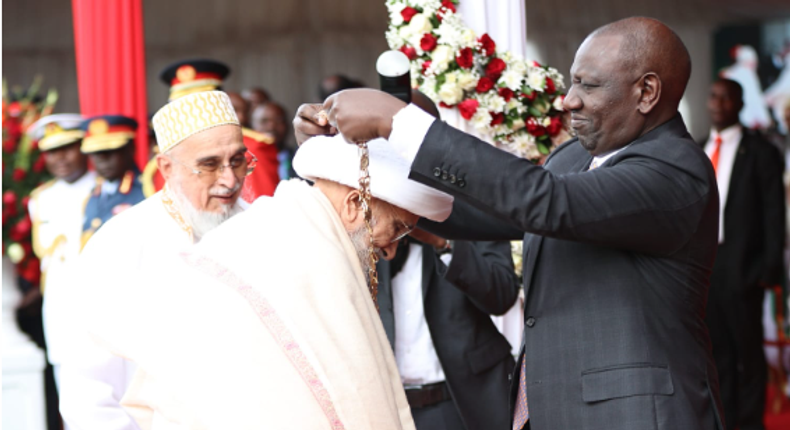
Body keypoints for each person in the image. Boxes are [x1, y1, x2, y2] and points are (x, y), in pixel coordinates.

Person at [296, 16, 725, 430]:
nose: (568, 100)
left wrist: (401, 124)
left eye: (588, 86)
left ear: (646, 92)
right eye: (572, 81)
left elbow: (546, 202)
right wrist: (343, 155)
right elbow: (482, 208)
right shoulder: (572, 158)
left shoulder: (676, 171)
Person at [80, 130, 454, 429]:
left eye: (237, 161)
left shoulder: (279, 226)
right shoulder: (307, 252)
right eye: (399, 230)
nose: (390, 250)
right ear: (355, 204)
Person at [57, 91, 249, 430]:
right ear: (166, 167)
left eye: (237, 160)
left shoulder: (259, 227)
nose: (230, 180)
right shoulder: (119, 245)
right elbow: (87, 390)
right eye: (208, 165)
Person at [376, 92, 518, 430]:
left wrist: (443, 241)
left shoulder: (472, 204)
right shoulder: (361, 211)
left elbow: (501, 296)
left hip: (465, 403)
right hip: (387, 410)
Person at [703, 78, 785, 430]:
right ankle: (725, 420)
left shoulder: (761, 151)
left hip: (744, 268)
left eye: (727, 98)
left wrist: (768, 270)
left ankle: (750, 424)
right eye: (714, 96)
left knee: (748, 353)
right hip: (703, 267)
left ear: (738, 104)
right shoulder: (695, 147)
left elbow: (773, 215)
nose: (719, 103)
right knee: (716, 352)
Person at [141, 59, 280, 201]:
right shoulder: (164, 159)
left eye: (199, 104)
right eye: (182, 106)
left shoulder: (252, 148)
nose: (191, 112)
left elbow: (263, 212)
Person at [26, 114, 97, 389]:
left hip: (97, 302)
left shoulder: (103, 188)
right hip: (58, 308)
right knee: (68, 390)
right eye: (53, 152)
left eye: (68, 148)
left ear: (82, 147)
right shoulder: (40, 198)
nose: (61, 158)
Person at [79, 115, 146, 248]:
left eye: (110, 151)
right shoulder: (93, 194)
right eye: (95, 153)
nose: (102, 159)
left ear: (130, 149)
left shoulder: (147, 191)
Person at [251, 101, 295, 179]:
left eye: (278, 120)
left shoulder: (300, 159)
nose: (271, 127)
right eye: (264, 121)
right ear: (253, 127)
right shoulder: (246, 162)